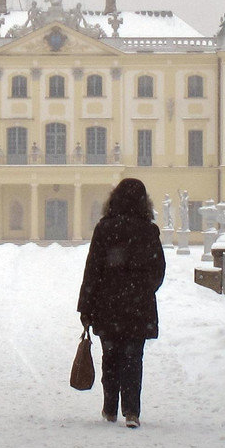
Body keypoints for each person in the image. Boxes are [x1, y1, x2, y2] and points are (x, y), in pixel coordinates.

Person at [77, 178, 165, 429]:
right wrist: (144, 289)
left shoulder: (105, 228)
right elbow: (158, 268)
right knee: (133, 358)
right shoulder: (148, 230)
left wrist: (86, 306)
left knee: (110, 356)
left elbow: (92, 269)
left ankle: (110, 408)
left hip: (108, 304)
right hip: (138, 306)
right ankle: (132, 411)